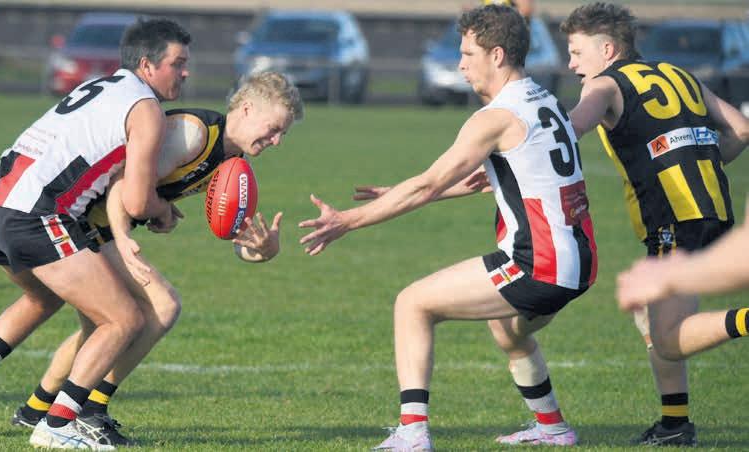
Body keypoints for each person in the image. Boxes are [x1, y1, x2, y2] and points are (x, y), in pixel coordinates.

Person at [300, 5, 596, 448]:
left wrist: (347, 220)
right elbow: (486, 181)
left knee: (413, 304)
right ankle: (554, 428)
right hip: (581, 260)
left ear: (497, 55)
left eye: (467, 53)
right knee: (505, 329)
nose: (460, 64)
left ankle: (413, 432)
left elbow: (428, 185)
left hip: (539, 264)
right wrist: (404, 190)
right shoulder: (544, 101)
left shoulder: (495, 117)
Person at [0, 18, 191, 450]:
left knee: (44, 297)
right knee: (124, 318)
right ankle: (57, 423)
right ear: (147, 65)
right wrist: (163, 211)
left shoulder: (102, 85)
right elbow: (138, 201)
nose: (185, 72)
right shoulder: (146, 108)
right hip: (34, 213)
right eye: (178, 63)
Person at [7, 71, 303, 446]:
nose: (277, 141)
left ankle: (36, 408)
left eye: (282, 134)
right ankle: (91, 409)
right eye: (274, 129)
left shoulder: (233, 164)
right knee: (161, 306)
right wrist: (126, 235)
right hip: (83, 220)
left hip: (103, 228)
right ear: (246, 109)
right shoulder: (193, 135)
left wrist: (262, 251)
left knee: (101, 329)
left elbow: (236, 241)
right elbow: (121, 184)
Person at [560, 2, 749, 446]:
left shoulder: (604, 85)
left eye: (576, 52)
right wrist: (699, 162)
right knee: (648, 315)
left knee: (666, 339)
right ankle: (674, 423)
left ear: (607, 50)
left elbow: (570, 129)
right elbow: (741, 129)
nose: (570, 64)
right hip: (714, 211)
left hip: (673, 222)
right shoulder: (679, 74)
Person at [617, 200, 749, 310]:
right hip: (711, 206)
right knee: (666, 326)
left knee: (665, 321)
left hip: (678, 209)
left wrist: (670, 276)